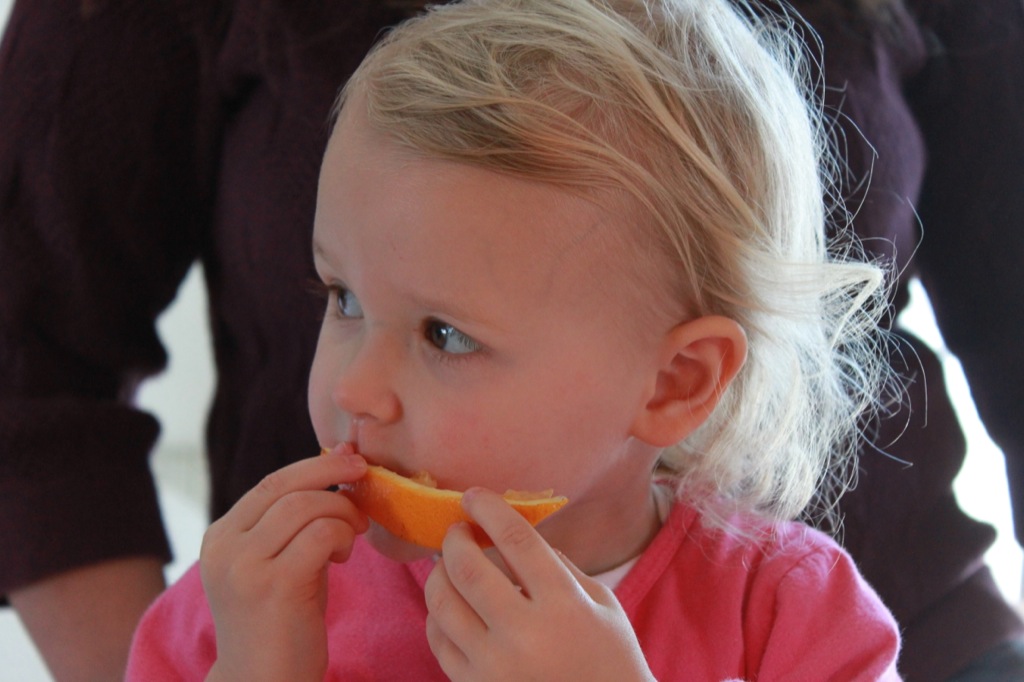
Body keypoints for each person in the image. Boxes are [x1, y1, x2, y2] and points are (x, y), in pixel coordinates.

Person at [1, 0, 1021, 680]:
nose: (355, 389)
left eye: (444, 333)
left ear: (674, 381)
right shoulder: (247, 605)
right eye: (343, 297)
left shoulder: (791, 616)